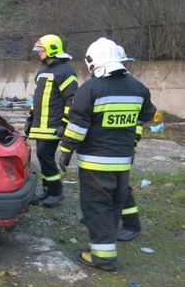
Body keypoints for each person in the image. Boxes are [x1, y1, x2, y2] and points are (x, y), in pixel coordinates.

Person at [58, 37, 156, 271]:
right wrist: (130, 142)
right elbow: (142, 119)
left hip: (95, 163)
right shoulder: (139, 88)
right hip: (122, 162)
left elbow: (77, 126)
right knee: (114, 204)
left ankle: (102, 257)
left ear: (94, 62)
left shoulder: (91, 89)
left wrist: (64, 151)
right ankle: (106, 247)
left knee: (96, 207)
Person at [25, 34, 78, 207]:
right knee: (42, 156)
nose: (39, 53)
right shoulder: (42, 72)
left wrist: (64, 123)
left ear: (52, 50)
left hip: (53, 125)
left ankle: (56, 192)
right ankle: (48, 191)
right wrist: (30, 119)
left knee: (44, 155)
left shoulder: (65, 71)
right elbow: (37, 99)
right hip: (40, 125)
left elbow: (72, 100)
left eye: (42, 49)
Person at [115, 45, 143, 241]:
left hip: (121, 146)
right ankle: (106, 218)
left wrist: (132, 141)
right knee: (107, 185)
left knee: (121, 186)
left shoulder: (131, 87)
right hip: (108, 146)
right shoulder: (106, 84)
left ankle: (132, 224)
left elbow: (138, 121)